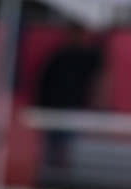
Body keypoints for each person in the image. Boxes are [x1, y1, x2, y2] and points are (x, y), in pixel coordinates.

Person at [34, 26, 106, 172]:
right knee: (53, 150)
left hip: (71, 108)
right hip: (54, 107)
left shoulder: (88, 56)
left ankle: (62, 177)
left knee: (66, 149)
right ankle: (51, 178)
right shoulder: (60, 55)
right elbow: (45, 81)